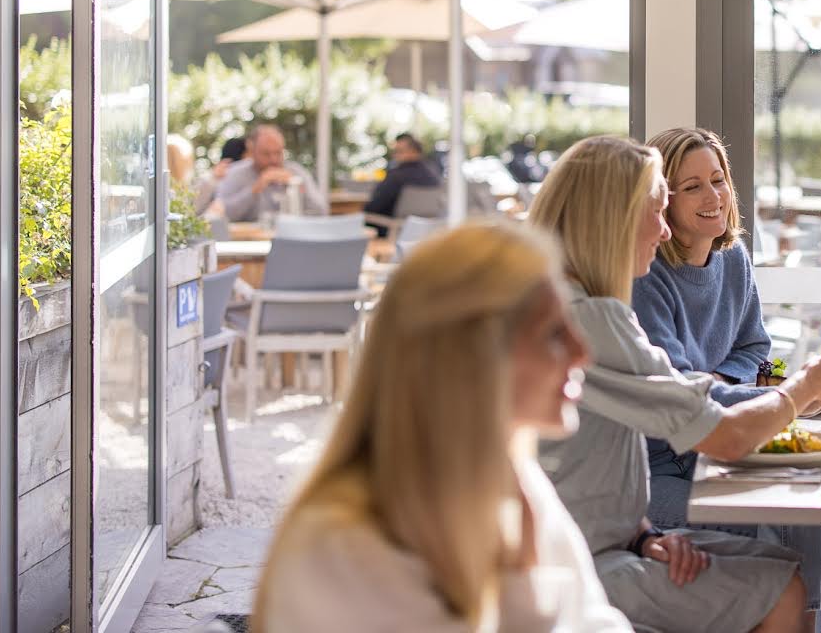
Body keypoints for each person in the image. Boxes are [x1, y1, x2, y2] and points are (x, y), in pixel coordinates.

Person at [529, 135, 821, 633]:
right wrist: (807, 387)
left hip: (610, 541)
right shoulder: (593, 318)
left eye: (718, 181)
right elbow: (723, 435)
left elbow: (586, 468)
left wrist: (642, 538)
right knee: (782, 587)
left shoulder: (579, 302)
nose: (662, 232)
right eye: (658, 210)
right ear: (612, 218)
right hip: (574, 564)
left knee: (786, 560)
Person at [254, 220, 632, 632]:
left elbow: (598, 621)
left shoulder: (513, 482)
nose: (583, 354)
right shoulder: (342, 548)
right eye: (554, 333)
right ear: (472, 358)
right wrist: (523, 578)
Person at [632, 127, 821, 624]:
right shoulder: (647, 274)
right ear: (663, 201)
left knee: (811, 523)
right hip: (659, 464)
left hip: (721, 442)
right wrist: (787, 395)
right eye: (692, 186)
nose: (712, 196)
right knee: (763, 525)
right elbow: (681, 396)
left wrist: (747, 382)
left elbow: (762, 351)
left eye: (718, 180)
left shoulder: (734, 258)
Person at [214, 124, 327, 222]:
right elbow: (222, 214)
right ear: (252, 151)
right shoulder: (235, 173)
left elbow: (321, 211)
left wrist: (298, 188)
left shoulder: (296, 171)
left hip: (291, 239)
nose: (273, 159)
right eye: (266, 153)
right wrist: (255, 189)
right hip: (249, 243)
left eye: (278, 153)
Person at [362, 132, 441, 233]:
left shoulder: (396, 176)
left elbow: (373, 207)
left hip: (392, 230)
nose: (395, 155)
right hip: (425, 231)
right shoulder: (433, 174)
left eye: (399, 151)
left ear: (414, 151)